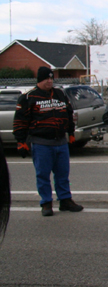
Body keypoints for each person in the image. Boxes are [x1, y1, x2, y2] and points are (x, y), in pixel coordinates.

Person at [13, 67, 83, 216]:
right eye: (46, 79)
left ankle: (65, 200)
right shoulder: (28, 97)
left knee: (63, 174)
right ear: (40, 80)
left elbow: (69, 114)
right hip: (41, 143)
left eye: (51, 79)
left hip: (61, 142)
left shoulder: (60, 94)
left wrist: (70, 133)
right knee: (43, 175)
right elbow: (20, 120)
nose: (50, 81)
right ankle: (46, 203)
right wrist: (21, 141)